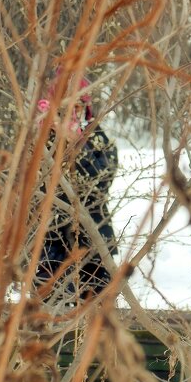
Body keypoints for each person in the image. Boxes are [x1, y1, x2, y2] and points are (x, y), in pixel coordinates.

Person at [35, 72, 119, 301]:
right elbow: (34, 184)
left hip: (93, 234)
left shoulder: (95, 135)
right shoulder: (40, 136)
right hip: (50, 242)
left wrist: (76, 146)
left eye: (79, 104)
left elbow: (101, 179)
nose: (73, 111)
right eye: (66, 105)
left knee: (96, 307)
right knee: (50, 306)